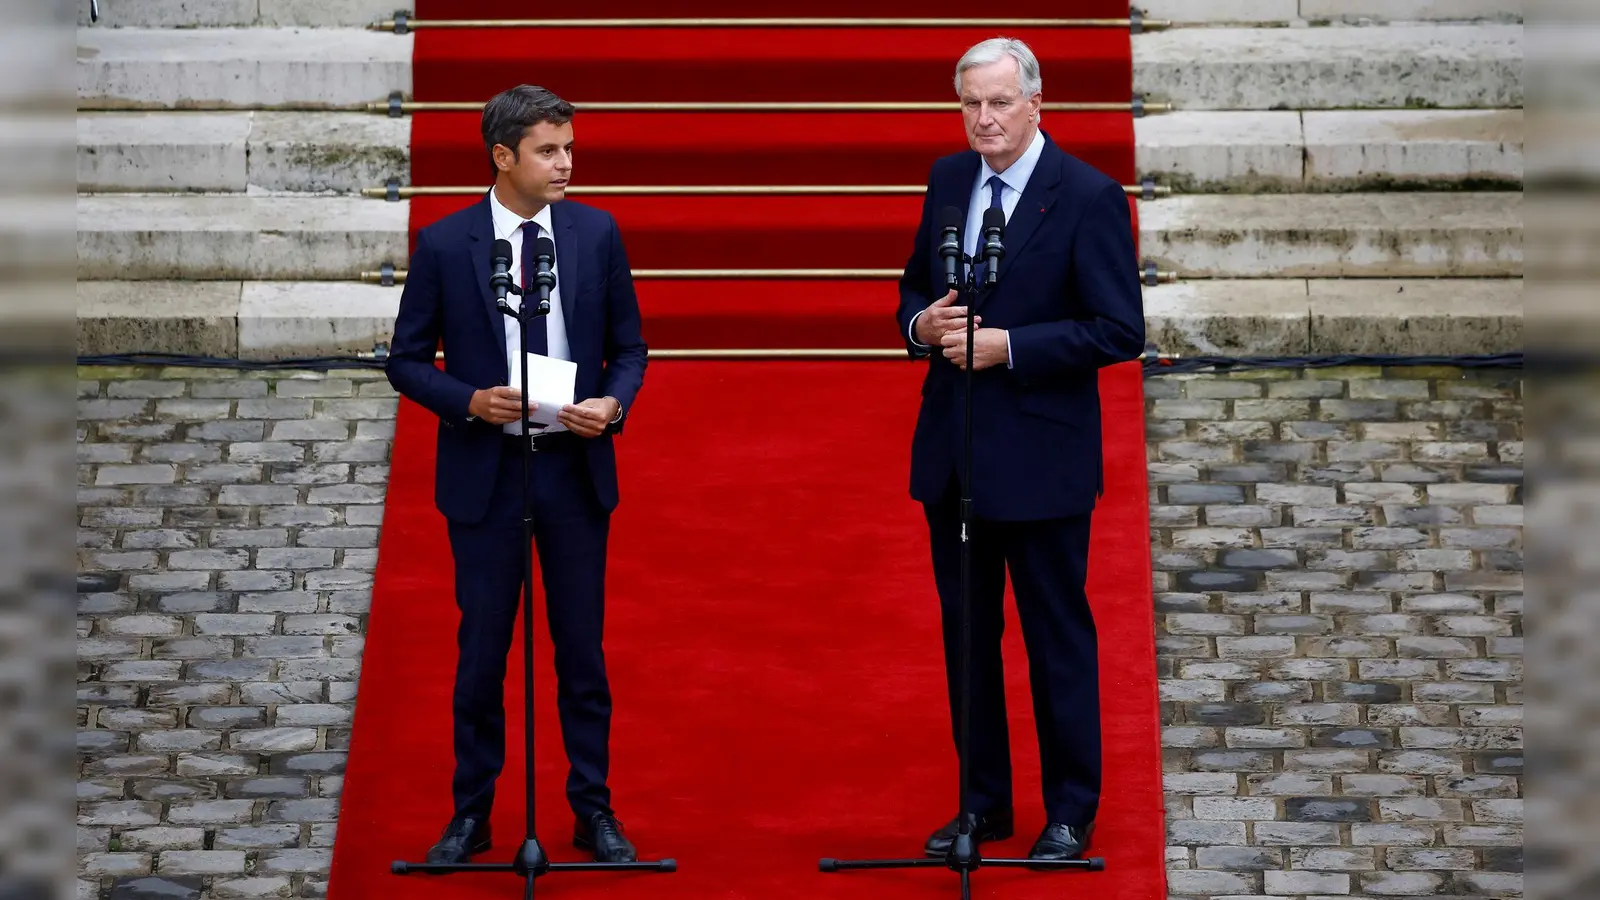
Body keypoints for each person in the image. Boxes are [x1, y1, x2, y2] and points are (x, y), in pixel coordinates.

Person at [895, 38, 1145, 864]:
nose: (984, 120)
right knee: (968, 640)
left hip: (1042, 460)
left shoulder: (1087, 196)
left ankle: (1070, 812)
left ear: (1037, 104)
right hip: (956, 455)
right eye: (971, 103)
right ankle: (983, 806)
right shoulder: (946, 181)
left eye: (999, 103)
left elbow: (1118, 329)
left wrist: (1014, 346)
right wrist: (919, 326)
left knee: (1054, 640)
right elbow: (911, 288)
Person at [385, 84, 648, 866]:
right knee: (482, 653)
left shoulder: (597, 234)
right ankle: (471, 814)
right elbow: (403, 361)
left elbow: (630, 349)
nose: (566, 163)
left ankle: (593, 810)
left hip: (572, 471)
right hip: (487, 476)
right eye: (547, 150)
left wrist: (612, 402)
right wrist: (468, 400)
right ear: (503, 158)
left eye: (568, 147)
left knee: (581, 652)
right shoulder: (444, 243)